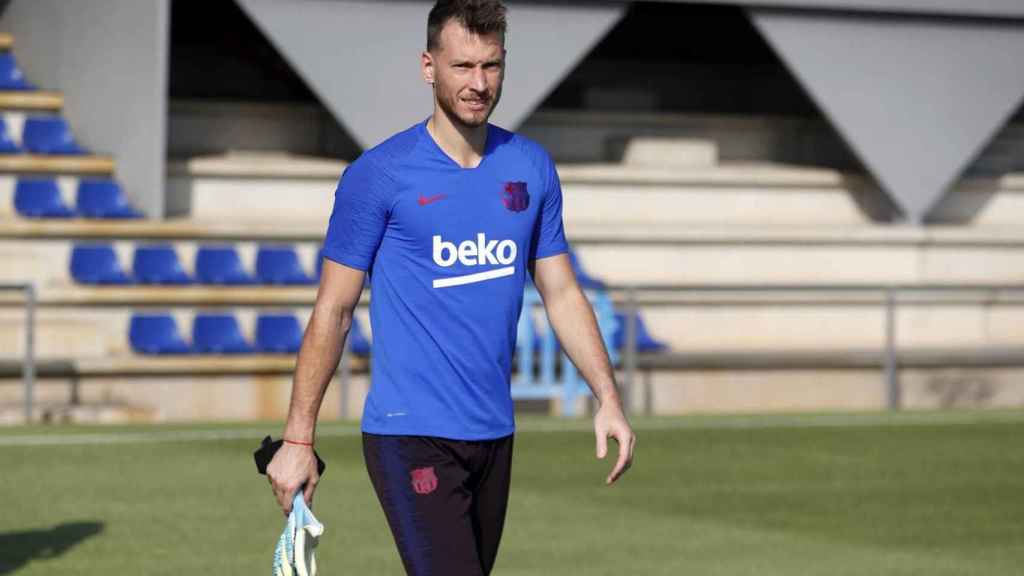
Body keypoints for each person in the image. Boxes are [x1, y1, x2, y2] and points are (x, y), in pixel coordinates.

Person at [267, 1, 635, 573]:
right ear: (428, 66)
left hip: (494, 432)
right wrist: (297, 440)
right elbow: (334, 311)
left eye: (491, 66)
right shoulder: (379, 174)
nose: (478, 83)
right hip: (408, 433)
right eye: (462, 66)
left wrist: (607, 398)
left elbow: (561, 294)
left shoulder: (531, 168)